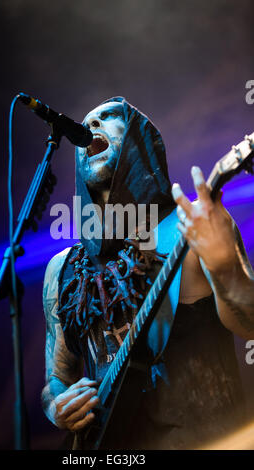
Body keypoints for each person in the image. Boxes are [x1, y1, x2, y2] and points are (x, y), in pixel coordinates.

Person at [41, 97, 254, 450]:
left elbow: (249, 325)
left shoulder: (193, 224)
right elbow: (56, 379)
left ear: (140, 140)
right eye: (88, 121)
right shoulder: (61, 268)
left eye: (108, 117)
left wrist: (225, 267)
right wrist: (57, 407)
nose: (92, 126)